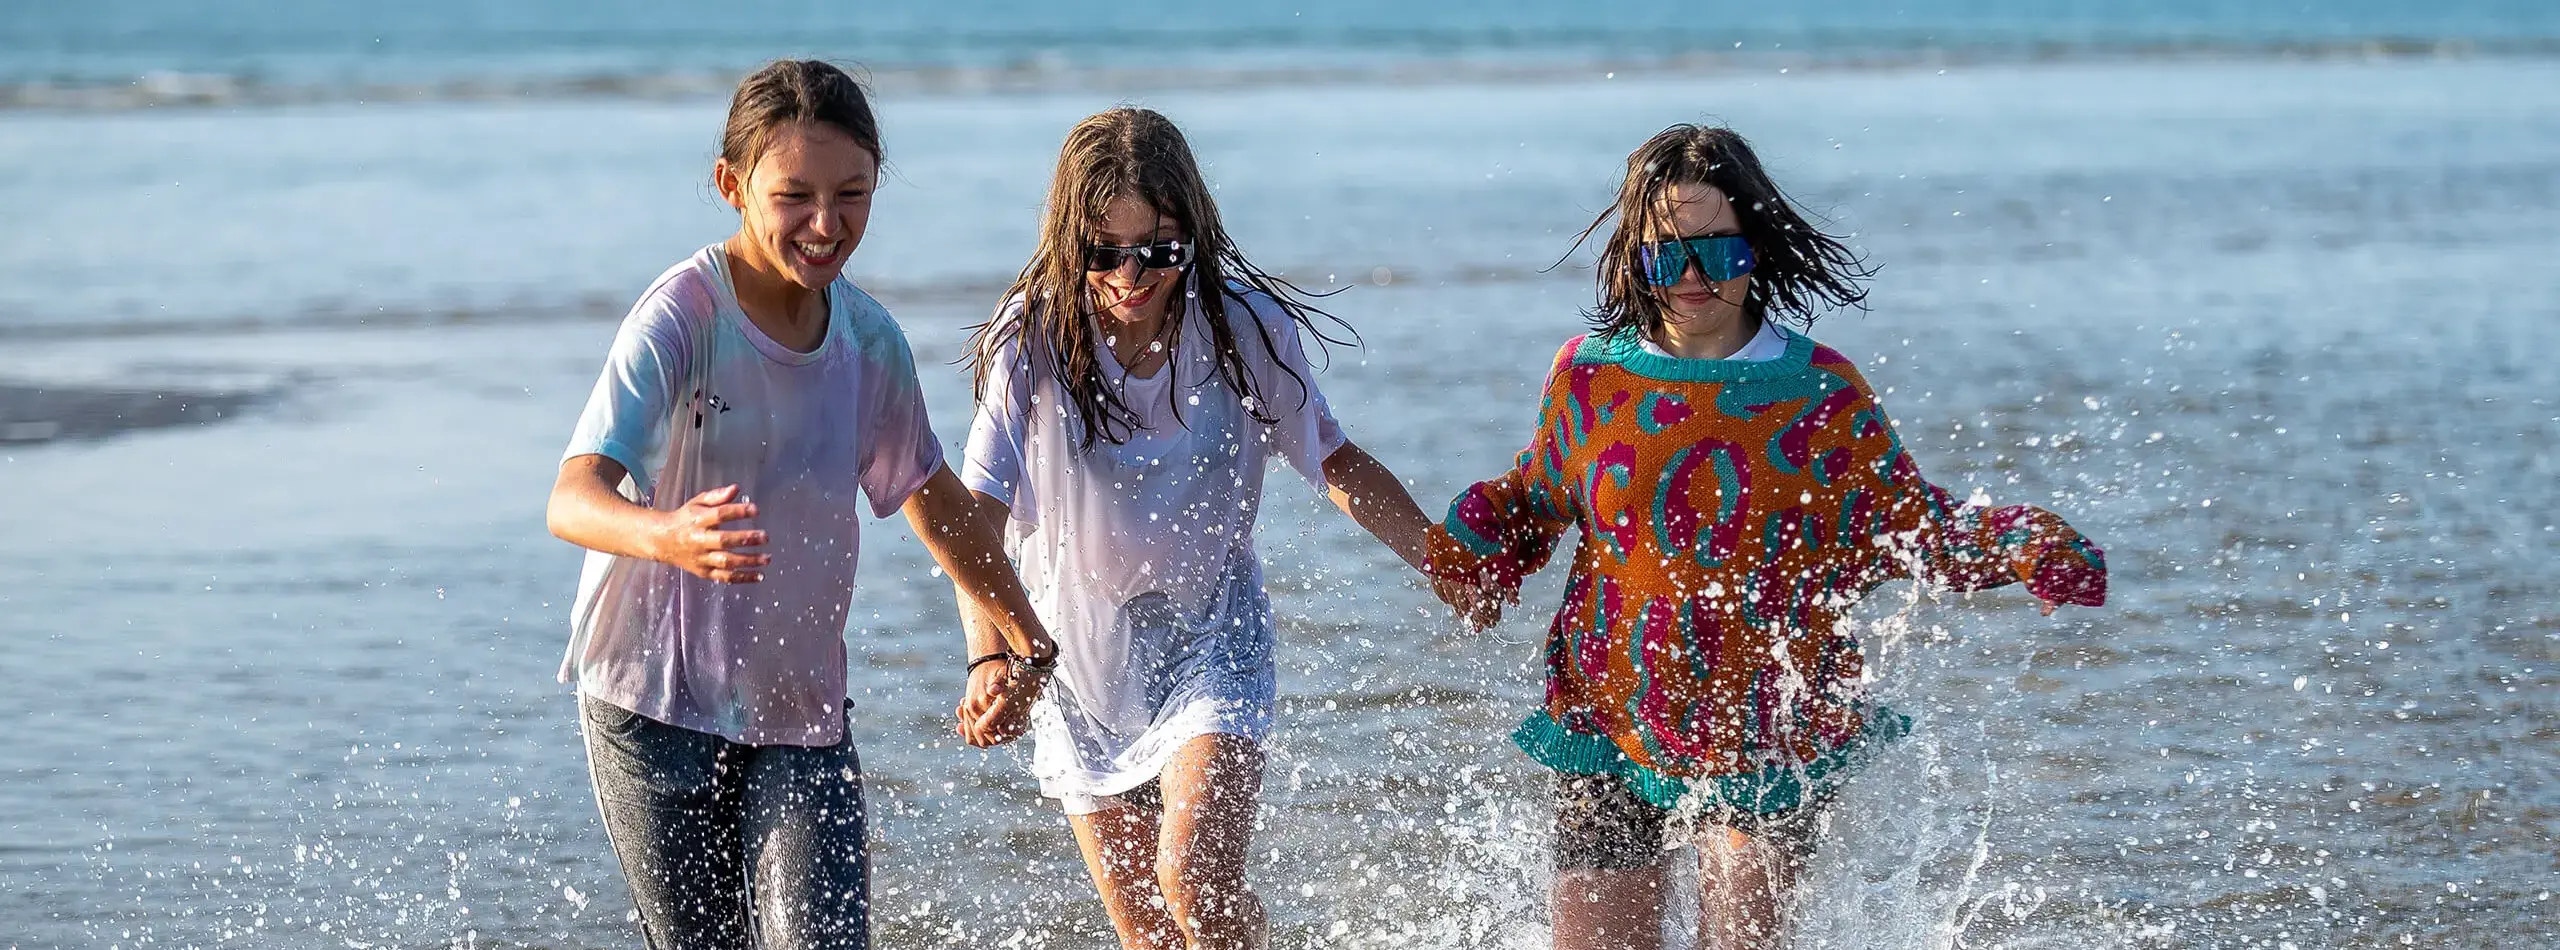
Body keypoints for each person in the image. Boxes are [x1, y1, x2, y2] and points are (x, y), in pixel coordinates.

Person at [1424, 124, 2108, 950]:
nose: (1692, 278)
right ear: (1631, 260)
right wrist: (1470, 545)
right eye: (1664, 254)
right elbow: (1542, 488)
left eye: (1718, 252)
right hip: (1609, 706)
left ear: (1757, 246)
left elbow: (1908, 521)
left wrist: (2027, 547)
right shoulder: (1589, 373)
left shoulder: (1817, 390)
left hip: (1765, 722)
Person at [543, 59, 1055, 950]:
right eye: (795, 197)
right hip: (649, 706)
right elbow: (573, 499)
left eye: (852, 194)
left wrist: (1023, 635)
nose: (827, 225)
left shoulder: (867, 341)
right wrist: (666, 534)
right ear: (731, 185)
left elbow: (934, 502)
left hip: (799, 708)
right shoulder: (681, 318)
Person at [946, 107, 1460, 950]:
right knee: (1147, 934)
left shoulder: (1241, 326)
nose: (1131, 275)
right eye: (1103, 252)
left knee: (1197, 886)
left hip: (1211, 634)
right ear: (1069, 240)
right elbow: (976, 524)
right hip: (1076, 658)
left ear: (1195, 234)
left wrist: (1437, 557)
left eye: (1159, 250)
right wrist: (988, 655)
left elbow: (1333, 460)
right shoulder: (1030, 340)